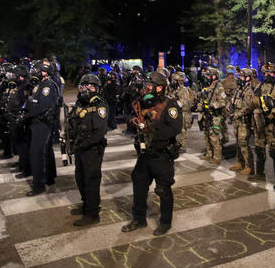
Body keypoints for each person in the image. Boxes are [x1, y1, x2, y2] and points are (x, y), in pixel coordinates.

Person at [122, 72, 183, 236]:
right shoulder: (142, 102)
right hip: (144, 154)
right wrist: (133, 122)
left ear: (159, 88)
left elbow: (175, 128)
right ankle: (139, 219)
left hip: (162, 154)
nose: (145, 89)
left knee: (163, 189)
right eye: (145, 85)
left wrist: (150, 130)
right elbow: (130, 115)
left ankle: (165, 222)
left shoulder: (170, 105)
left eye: (149, 86)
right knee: (139, 185)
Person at [69, 74, 108, 226]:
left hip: (92, 148)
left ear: (97, 89)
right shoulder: (81, 102)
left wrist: (82, 145)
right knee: (80, 177)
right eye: (84, 86)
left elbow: (99, 133)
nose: (86, 89)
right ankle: (87, 204)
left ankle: (92, 214)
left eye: (90, 86)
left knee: (91, 180)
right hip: (80, 146)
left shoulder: (100, 105)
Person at [20, 61, 59, 196]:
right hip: (39, 123)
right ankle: (49, 178)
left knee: (36, 154)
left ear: (44, 72)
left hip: (41, 123)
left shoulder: (47, 86)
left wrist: (25, 116)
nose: (34, 71)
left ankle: (38, 185)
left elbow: (42, 107)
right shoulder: (41, 85)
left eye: (37, 69)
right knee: (46, 151)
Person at [250, 63, 275, 189]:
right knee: (259, 149)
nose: (268, 75)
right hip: (259, 124)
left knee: (274, 152)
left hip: (272, 126)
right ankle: (260, 174)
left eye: (270, 73)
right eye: (265, 72)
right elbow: (253, 101)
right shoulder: (259, 86)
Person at [228, 68, 257, 175]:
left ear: (248, 77)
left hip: (244, 121)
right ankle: (240, 162)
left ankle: (249, 166)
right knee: (238, 143)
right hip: (236, 121)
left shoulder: (250, 91)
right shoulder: (239, 89)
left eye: (241, 77)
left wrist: (238, 114)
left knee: (244, 143)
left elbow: (249, 107)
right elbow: (232, 100)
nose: (239, 78)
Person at [197, 68, 227, 165]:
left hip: (215, 115)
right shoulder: (207, 87)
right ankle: (209, 153)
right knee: (207, 135)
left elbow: (223, 102)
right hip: (206, 114)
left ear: (214, 76)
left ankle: (217, 157)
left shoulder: (219, 87)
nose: (207, 77)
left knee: (214, 136)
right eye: (206, 75)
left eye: (209, 75)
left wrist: (213, 105)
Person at [170, 71, 195, 151]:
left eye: (175, 80)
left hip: (183, 113)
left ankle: (181, 146)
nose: (173, 82)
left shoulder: (184, 90)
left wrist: (175, 102)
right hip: (178, 112)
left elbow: (184, 103)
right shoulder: (174, 90)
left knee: (182, 130)